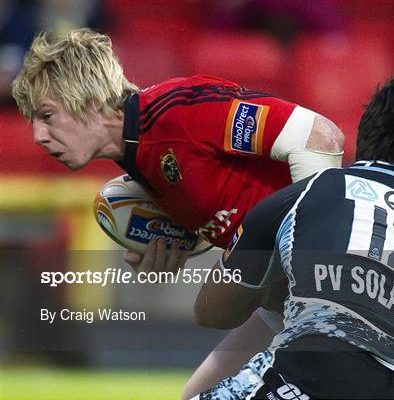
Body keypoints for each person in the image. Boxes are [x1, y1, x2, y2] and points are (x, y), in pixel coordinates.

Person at [10, 28, 344, 397]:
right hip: (283, 305)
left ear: (85, 98)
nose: (38, 136)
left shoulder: (183, 112)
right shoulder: (141, 168)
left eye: (46, 115)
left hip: (339, 292)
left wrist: (316, 271)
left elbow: (320, 138)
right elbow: (232, 204)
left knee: (214, 312)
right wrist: (184, 243)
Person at [193, 69, 394, 399]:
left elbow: (213, 312)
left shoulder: (306, 195)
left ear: (363, 136)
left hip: (311, 374)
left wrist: (285, 282)